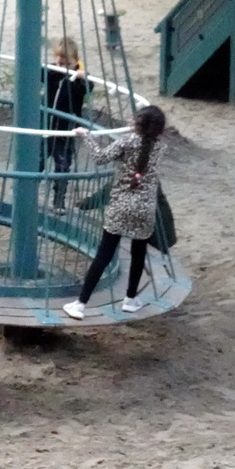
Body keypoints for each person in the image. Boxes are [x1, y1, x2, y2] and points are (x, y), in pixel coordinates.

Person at [63, 104, 166, 319]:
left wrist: (86, 136)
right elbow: (141, 154)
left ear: (138, 124)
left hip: (121, 205)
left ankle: (80, 304)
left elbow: (101, 157)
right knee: (139, 253)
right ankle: (130, 299)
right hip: (145, 208)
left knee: (104, 253)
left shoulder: (128, 142)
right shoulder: (159, 147)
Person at [41, 36, 91, 209]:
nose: (61, 63)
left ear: (75, 60)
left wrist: (77, 78)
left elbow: (87, 88)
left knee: (62, 165)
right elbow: (41, 75)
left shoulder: (81, 79)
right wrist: (56, 70)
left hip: (65, 130)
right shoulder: (52, 71)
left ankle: (59, 200)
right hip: (45, 127)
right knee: (37, 162)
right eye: (58, 59)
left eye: (66, 61)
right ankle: (27, 195)